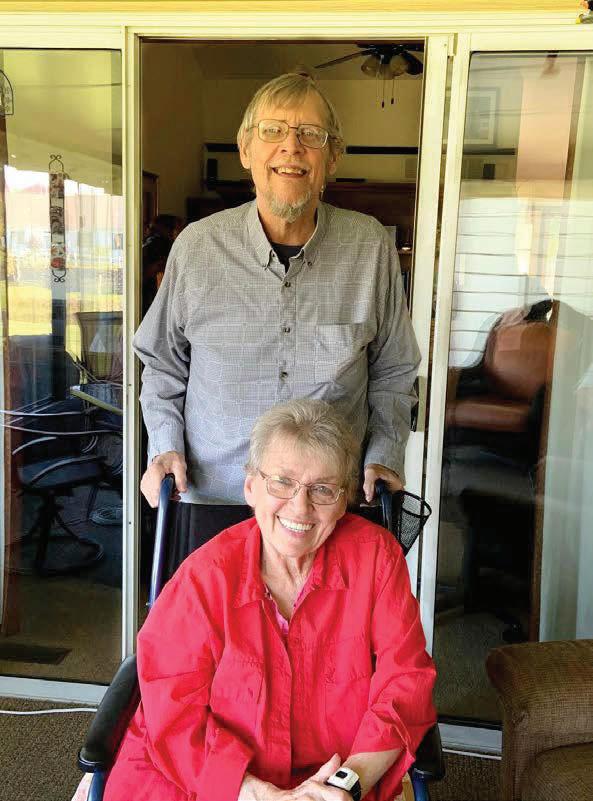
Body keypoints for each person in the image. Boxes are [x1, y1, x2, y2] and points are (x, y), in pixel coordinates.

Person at [134, 72, 421, 563]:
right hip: (216, 499)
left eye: (311, 134)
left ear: (332, 157)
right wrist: (164, 445)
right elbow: (162, 363)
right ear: (245, 149)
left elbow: (394, 372)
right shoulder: (197, 248)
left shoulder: (370, 247)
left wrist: (384, 456)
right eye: (273, 131)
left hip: (326, 508)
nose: (292, 146)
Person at [103, 399, 436, 801]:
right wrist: (254, 793)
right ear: (251, 488)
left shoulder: (376, 559)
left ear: (343, 501)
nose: (300, 507)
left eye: (322, 489)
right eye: (282, 482)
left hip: (335, 782)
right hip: (207, 780)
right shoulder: (203, 578)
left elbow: (405, 680)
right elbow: (172, 709)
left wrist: (348, 782)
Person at [141, 213, 183, 314]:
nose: (181, 232)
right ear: (168, 229)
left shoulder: (148, 241)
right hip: (152, 293)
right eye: (178, 228)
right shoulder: (162, 244)